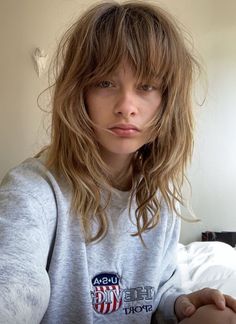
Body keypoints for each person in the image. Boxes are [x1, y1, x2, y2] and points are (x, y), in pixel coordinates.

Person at [0, 1, 236, 323]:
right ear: (79, 92)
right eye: (105, 83)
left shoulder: (160, 196)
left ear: (166, 101)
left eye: (146, 86)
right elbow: (13, 287)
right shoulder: (32, 192)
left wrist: (178, 303)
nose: (126, 106)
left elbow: (156, 291)